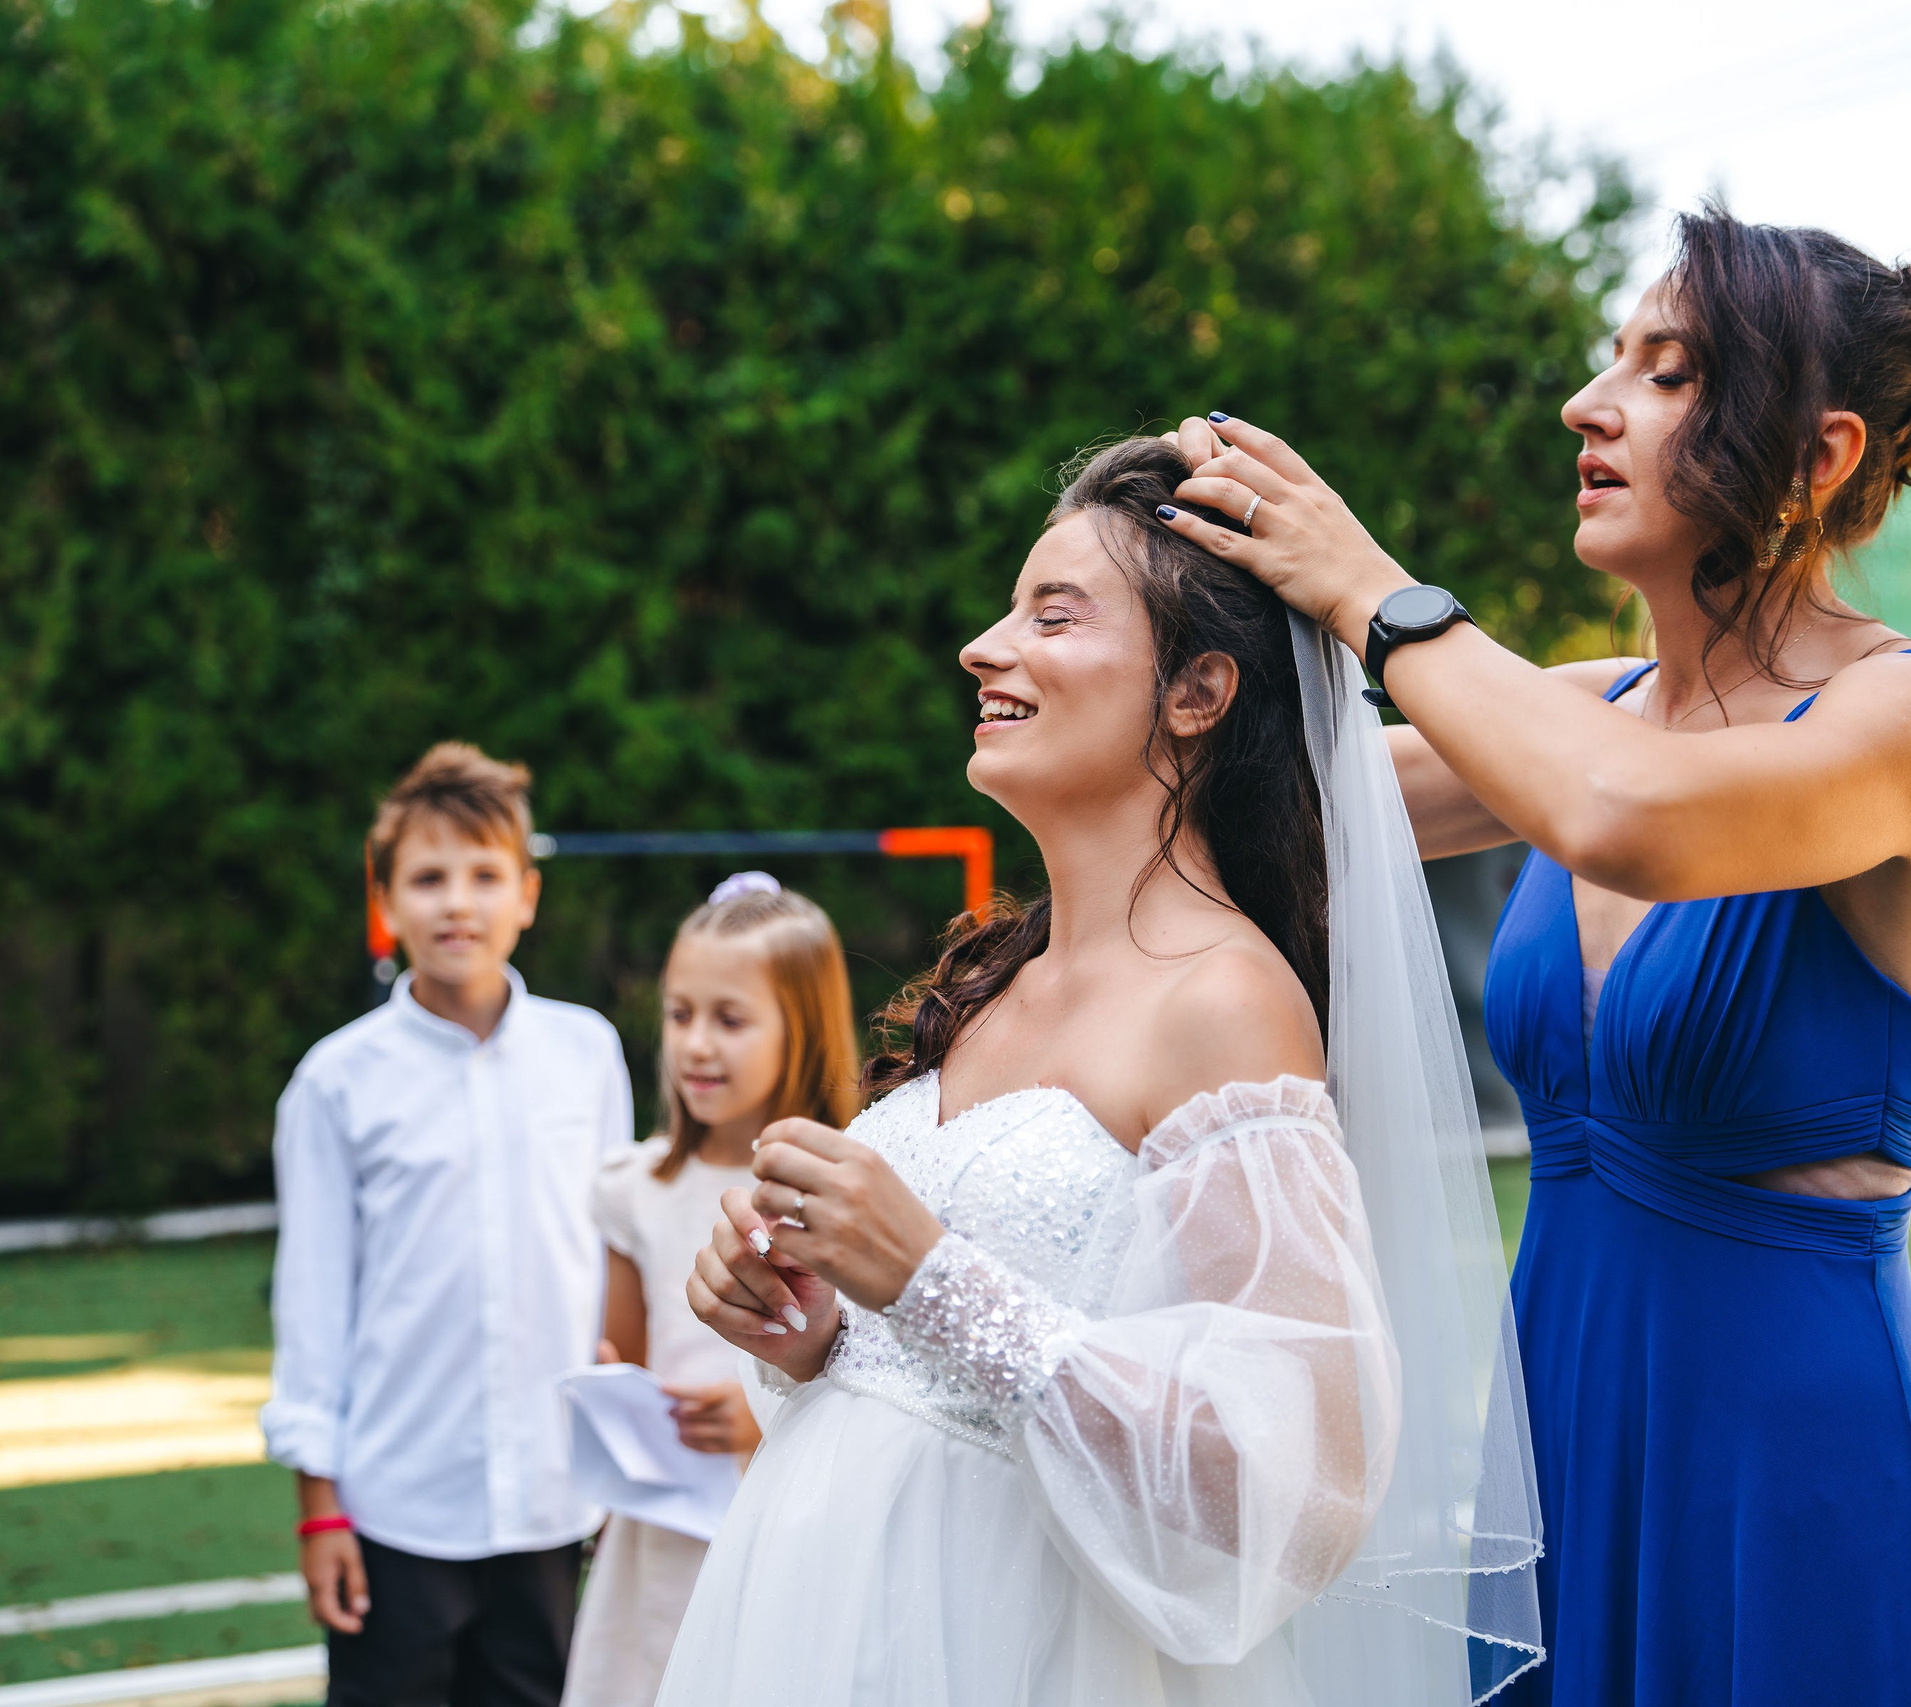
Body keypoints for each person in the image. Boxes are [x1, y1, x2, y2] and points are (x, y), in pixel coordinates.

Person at [1156, 206, 1911, 1703]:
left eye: (1669, 372)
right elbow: (1268, 815)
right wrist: (1104, 623)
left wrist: (1374, 590)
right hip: (1556, 1419)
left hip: (1788, 1454)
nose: (1588, 401)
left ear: (1815, 459)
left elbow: (1625, 816)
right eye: (1614, 357)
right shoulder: (1581, 713)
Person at [652, 436, 1545, 1705]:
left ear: (1196, 694)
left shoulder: (1223, 1003)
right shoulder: (996, 979)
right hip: (818, 1629)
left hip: (1032, 1653)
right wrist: (814, 1335)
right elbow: (937, 1374)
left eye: (1050, 615)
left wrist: (929, 1275)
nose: (981, 646)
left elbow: (1307, 1472)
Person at [261, 742, 637, 1707]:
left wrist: (618, 1458)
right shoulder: (336, 1081)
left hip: (554, 1500)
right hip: (398, 1507)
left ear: (528, 895)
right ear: (385, 899)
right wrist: (321, 1513)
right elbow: (312, 1305)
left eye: (483, 875)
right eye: (427, 878)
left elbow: (611, 1262)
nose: (456, 903)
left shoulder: (586, 1052)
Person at [559, 872, 862, 1707]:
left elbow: (867, 1365)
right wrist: (614, 1395)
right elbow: (628, 1352)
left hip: (791, 1523)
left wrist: (754, 1413)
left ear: (800, 1030)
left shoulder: (841, 1185)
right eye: (680, 1012)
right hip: (662, 1533)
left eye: (729, 1019)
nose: (695, 1043)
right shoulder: (633, 1184)